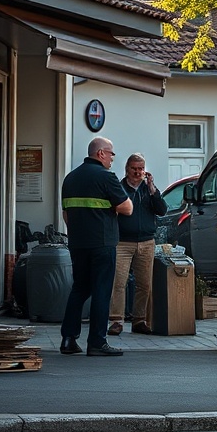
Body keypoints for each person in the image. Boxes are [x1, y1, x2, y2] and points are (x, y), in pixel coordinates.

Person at [60, 137, 133, 357]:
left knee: (80, 288)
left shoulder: (70, 179)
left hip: (78, 243)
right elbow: (127, 208)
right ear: (101, 153)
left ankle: (68, 339)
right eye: (111, 154)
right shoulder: (106, 177)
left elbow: (66, 214)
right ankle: (97, 342)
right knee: (102, 291)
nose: (112, 158)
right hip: (102, 243)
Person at [107, 153, 167, 337]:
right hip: (123, 242)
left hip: (146, 241)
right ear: (127, 169)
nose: (138, 172)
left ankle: (139, 320)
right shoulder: (119, 187)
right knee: (119, 282)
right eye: (134, 168)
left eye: (141, 168)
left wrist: (153, 190)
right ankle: (116, 320)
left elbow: (162, 210)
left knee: (144, 284)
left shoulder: (148, 189)